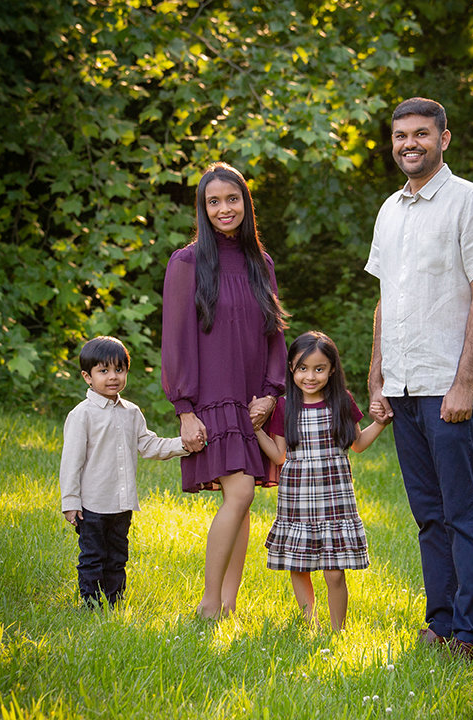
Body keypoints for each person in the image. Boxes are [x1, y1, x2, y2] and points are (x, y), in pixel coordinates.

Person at [366, 97, 473, 658]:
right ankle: (441, 622)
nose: (409, 144)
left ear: (444, 139)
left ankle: (472, 634)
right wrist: (377, 377)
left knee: (462, 513)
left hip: (447, 387)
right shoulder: (389, 210)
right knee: (428, 516)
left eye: (421, 134)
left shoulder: (467, 201)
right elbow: (384, 299)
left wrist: (462, 382)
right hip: (402, 388)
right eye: (401, 136)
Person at [161, 162, 288, 619]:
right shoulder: (188, 262)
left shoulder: (261, 263)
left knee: (243, 500)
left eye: (231, 199)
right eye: (213, 201)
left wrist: (273, 393)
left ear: (245, 203)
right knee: (240, 496)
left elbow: (275, 334)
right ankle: (208, 604)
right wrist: (185, 409)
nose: (223, 209)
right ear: (203, 208)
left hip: (253, 400)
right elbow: (176, 338)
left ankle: (229, 603)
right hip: (212, 399)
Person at [256, 331, 388, 631]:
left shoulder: (341, 401)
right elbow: (279, 457)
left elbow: (356, 444)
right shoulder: (284, 406)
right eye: (303, 368)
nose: (310, 376)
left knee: (334, 572)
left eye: (319, 369)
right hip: (297, 495)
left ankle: (338, 630)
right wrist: (255, 431)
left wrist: (380, 423)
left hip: (334, 494)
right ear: (292, 368)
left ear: (332, 370)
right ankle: (310, 623)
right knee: (299, 565)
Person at [59, 335, 190, 607]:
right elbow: (71, 462)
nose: (112, 377)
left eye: (119, 370)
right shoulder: (82, 415)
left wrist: (184, 445)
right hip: (92, 504)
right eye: (103, 371)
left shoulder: (131, 412)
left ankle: (114, 601)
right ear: (87, 376)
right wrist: (70, 502)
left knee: (118, 556)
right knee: (93, 556)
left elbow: (149, 445)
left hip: (121, 503)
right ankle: (91, 604)